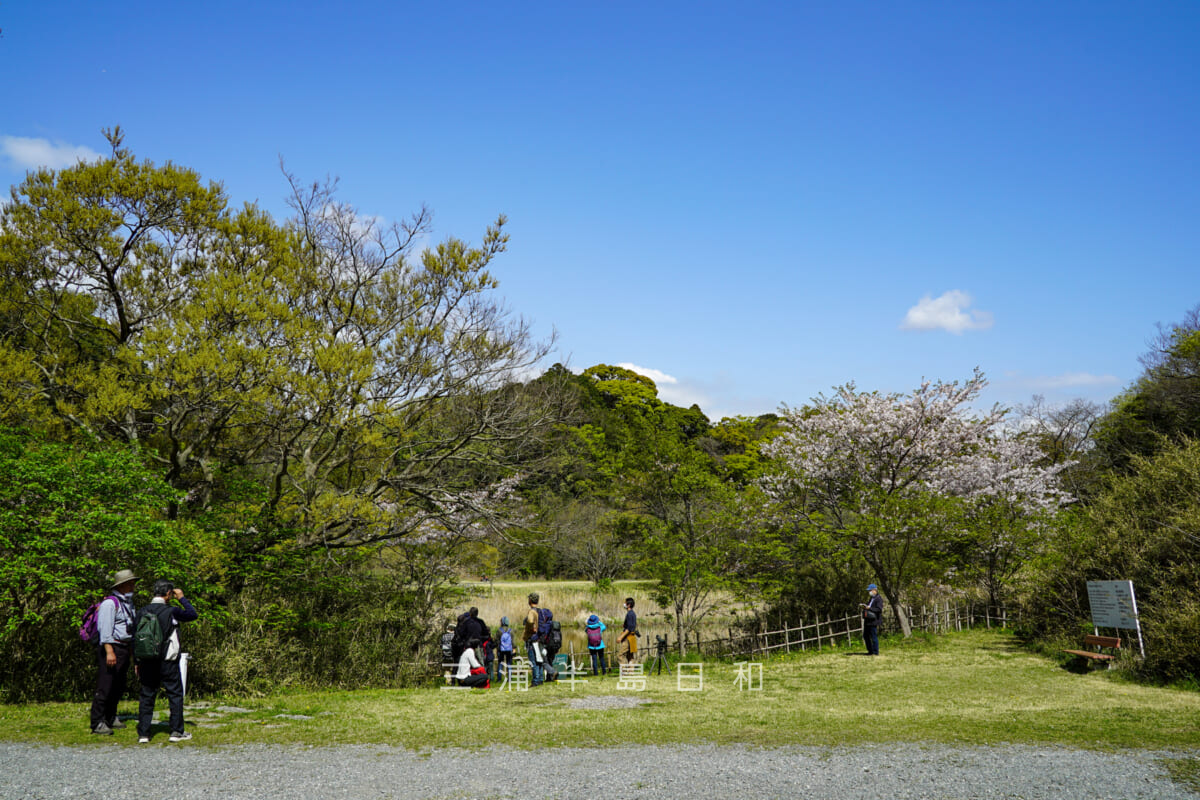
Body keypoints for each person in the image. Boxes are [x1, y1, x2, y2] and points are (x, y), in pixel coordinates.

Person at [134, 580, 199, 742]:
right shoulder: (171, 611)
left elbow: (135, 638)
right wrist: (182, 598)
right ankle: (177, 731)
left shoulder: (142, 611)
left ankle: (144, 733)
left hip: (146, 659)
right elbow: (192, 615)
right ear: (169, 594)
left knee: (147, 695)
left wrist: (136, 661)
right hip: (167, 660)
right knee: (174, 694)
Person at [90, 569, 138, 735]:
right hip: (112, 647)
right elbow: (105, 630)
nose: (133, 586)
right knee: (105, 685)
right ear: (122, 585)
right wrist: (109, 651)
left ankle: (110, 716)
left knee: (118, 685)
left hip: (124, 647)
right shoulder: (110, 604)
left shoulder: (128, 603)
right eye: (131, 583)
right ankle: (97, 721)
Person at [523, 592, 545, 686]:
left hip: (532, 639)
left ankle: (535, 681)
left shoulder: (532, 612)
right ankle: (540, 678)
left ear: (530, 600)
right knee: (539, 660)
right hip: (539, 639)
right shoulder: (539, 611)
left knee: (533, 661)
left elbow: (530, 620)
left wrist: (531, 628)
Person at [860, 583, 884, 656]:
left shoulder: (879, 599)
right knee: (866, 636)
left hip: (874, 620)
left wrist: (869, 608)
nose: (869, 592)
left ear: (874, 590)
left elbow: (879, 609)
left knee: (873, 636)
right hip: (868, 620)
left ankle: (875, 652)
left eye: (870, 590)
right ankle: (870, 651)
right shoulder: (871, 599)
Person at [618, 597, 639, 665]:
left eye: (625, 603)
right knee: (630, 656)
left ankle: (624, 671)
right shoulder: (633, 613)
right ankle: (630, 672)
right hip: (631, 637)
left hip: (628, 637)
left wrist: (620, 637)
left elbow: (629, 629)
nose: (624, 604)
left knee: (620, 655)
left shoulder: (630, 614)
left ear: (628, 605)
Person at [496, 616, 515, 681]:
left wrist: (497, 647)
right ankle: (509, 678)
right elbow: (513, 641)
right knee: (509, 663)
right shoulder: (511, 630)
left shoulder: (499, 630)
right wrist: (514, 648)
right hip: (509, 649)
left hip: (501, 649)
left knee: (500, 663)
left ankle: (499, 678)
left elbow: (496, 640)